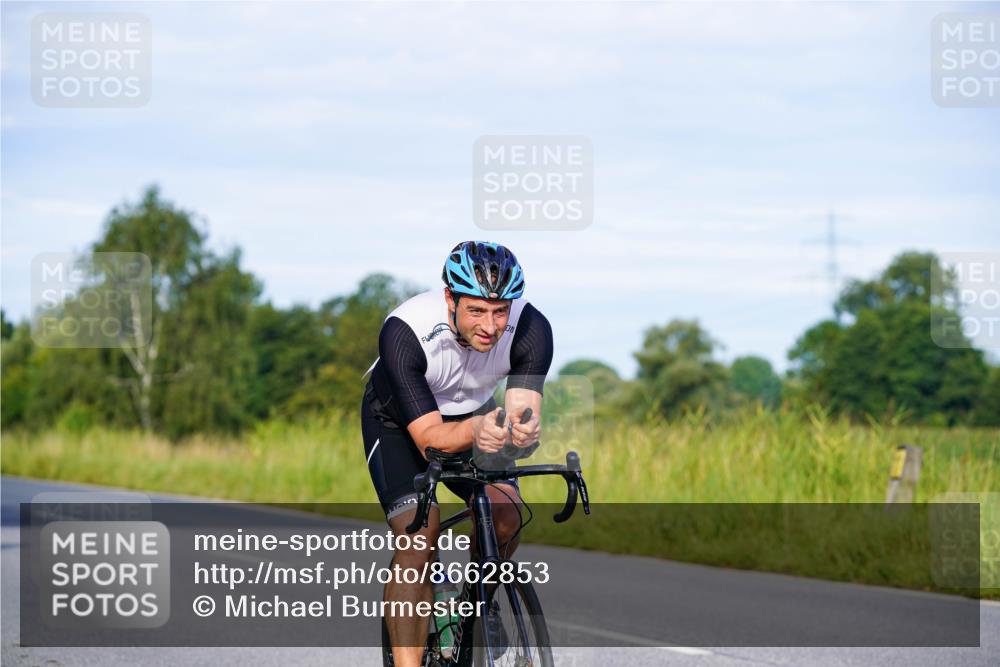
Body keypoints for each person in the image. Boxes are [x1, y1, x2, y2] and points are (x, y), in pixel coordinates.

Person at [361, 240, 553, 666]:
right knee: (419, 539)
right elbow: (430, 439)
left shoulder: (531, 328)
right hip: (399, 422)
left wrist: (522, 430)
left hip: (474, 412)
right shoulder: (405, 330)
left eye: (500, 311)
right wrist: (476, 430)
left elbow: (522, 408)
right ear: (450, 298)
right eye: (477, 311)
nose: (490, 325)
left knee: (506, 513)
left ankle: (477, 606)